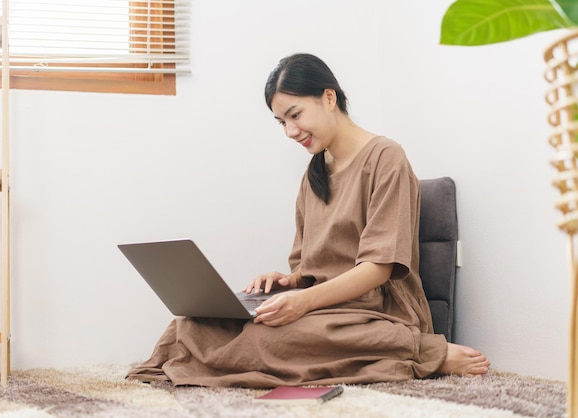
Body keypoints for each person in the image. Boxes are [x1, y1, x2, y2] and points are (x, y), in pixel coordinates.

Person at [126, 53, 490, 387]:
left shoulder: (386, 157)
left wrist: (302, 302)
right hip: (323, 304)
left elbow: (379, 268)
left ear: (329, 98)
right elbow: (312, 266)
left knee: (267, 337)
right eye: (281, 121)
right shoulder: (314, 173)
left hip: (376, 310)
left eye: (295, 115)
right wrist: (288, 281)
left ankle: (423, 351)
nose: (290, 131)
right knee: (192, 324)